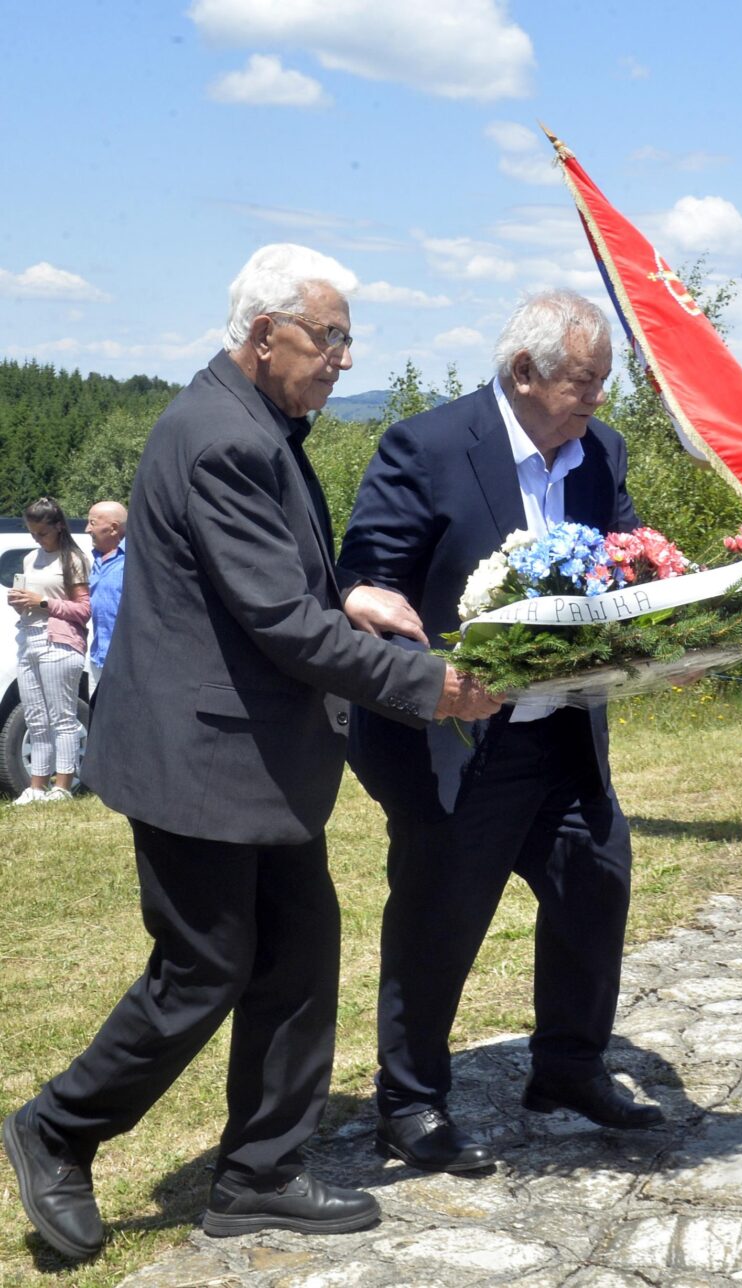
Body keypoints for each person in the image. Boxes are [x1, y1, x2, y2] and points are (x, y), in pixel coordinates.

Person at [1, 243, 499, 1262]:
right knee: (204, 967)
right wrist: (427, 684)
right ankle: (57, 1127)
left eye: (348, 341)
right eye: (330, 338)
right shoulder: (223, 436)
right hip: (201, 763)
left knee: (301, 953)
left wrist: (349, 595)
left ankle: (258, 1175)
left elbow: (274, 589)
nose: (341, 361)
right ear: (263, 334)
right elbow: (279, 622)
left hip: (251, 764)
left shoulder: (254, 421)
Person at [337, 289, 656, 1177]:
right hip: (457, 743)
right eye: (583, 381)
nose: (596, 398)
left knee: (597, 886)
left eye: (602, 381)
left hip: (563, 734)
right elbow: (366, 580)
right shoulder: (427, 446)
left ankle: (567, 1070)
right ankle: (408, 1103)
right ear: (524, 372)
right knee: (439, 921)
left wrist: (684, 625)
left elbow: (628, 556)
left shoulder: (601, 453)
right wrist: (430, 668)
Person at [7, 497, 91, 804]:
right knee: (35, 717)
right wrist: (20, 603)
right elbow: (30, 601)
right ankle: (37, 787)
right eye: (32, 533)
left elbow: (83, 610)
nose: (37, 539)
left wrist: (41, 602)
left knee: (62, 717)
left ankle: (63, 786)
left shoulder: (73, 559)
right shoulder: (31, 558)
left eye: (42, 533)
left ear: (58, 527)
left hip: (60, 642)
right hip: (28, 638)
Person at [84, 500, 126, 691]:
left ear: (113, 528)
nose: (87, 529)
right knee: (98, 719)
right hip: (98, 659)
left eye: (92, 523)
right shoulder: (97, 560)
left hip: (127, 662)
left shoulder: (137, 559)